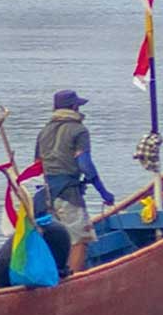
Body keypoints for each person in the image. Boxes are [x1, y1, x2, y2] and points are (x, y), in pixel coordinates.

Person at [35, 89, 115, 272]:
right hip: (69, 193)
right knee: (80, 240)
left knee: (54, 239)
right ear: (73, 107)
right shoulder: (79, 130)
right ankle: (74, 281)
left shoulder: (44, 131)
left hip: (46, 195)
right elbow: (85, 165)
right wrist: (104, 192)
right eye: (77, 105)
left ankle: (55, 278)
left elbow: (37, 164)